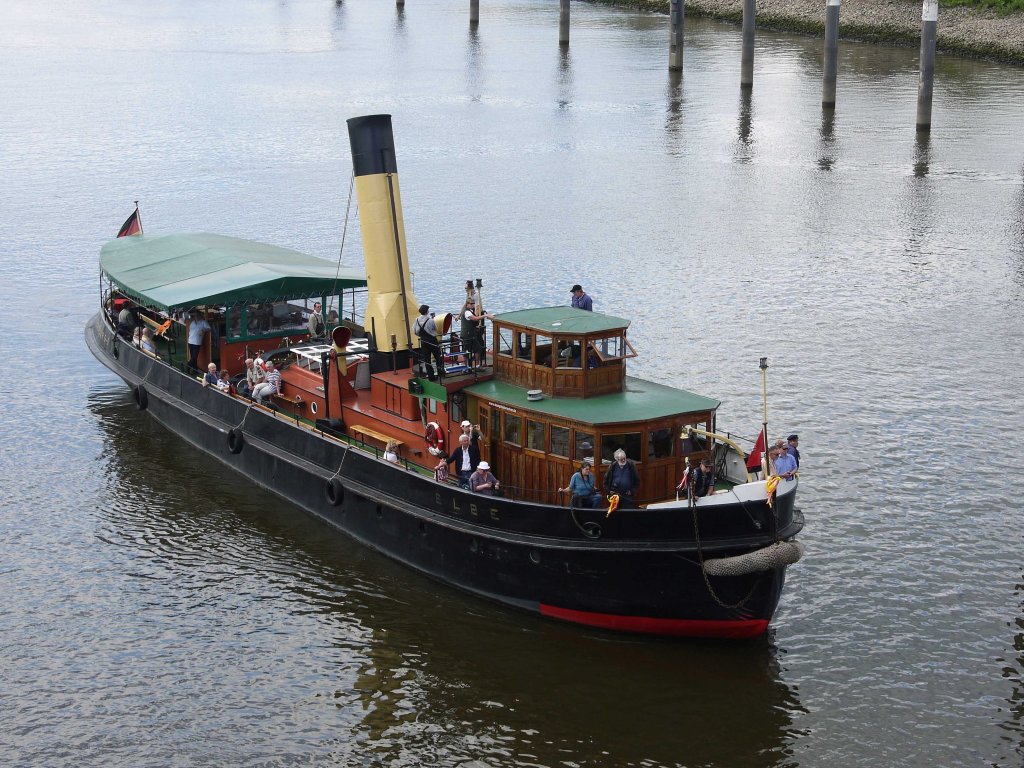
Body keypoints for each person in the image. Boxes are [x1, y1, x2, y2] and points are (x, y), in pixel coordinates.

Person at [460, 298, 494, 370]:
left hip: (471, 335)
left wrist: (476, 326)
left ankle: (477, 366)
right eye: (471, 304)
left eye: (473, 303)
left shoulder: (470, 311)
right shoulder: (467, 312)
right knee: (466, 351)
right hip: (467, 335)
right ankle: (466, 367)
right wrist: (485, 315)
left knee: (478, 349)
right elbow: (475, 318)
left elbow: (473, 321)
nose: (473, 305)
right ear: (467, 304)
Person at [413, 304, 445, 380]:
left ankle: (431, 376)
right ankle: (440, 373)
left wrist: (421, 335)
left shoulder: (416, 320)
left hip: (423, 340)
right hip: (432, 340)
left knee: (427, 359)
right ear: (427, 311)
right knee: (438, 356)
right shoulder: (430, 320)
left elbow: (415, 331)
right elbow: (436, 329)